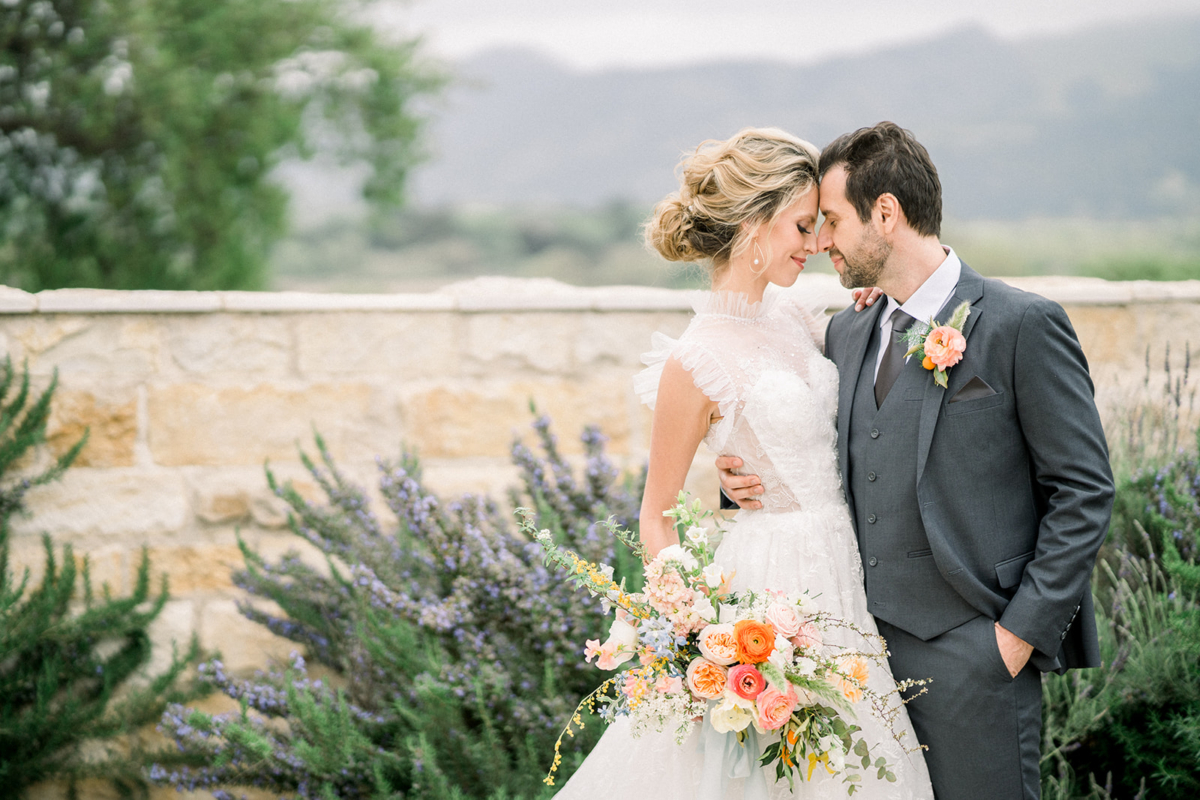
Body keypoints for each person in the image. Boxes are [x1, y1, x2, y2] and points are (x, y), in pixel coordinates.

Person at [718, 122, 1114, 799]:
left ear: (886, 214)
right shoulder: (845, 331)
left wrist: (1015, 638)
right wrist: (738, 482)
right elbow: (804, 446)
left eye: (832, 222)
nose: (820, 245)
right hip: (850, 662)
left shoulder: (1021, 325)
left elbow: (1083, 490)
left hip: (975, 658)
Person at [553, 127, 934, 799]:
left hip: (844, 566)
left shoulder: (797, 313)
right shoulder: (693, 360)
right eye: (802, 226)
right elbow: (657, 516)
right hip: (768, 585)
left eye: (819, 226)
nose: (815, 244)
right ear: (756, 225)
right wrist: (697, 624)